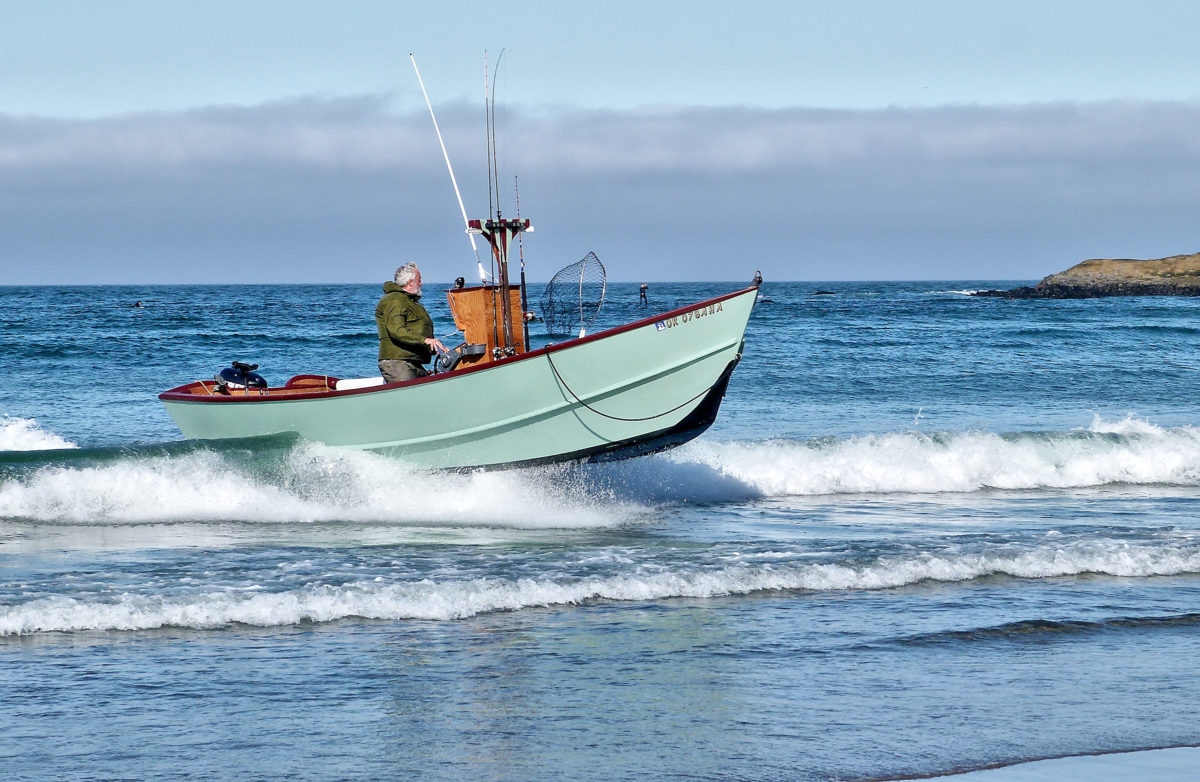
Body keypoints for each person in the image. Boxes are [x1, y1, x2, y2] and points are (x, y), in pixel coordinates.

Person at [375, 263, 447, 383]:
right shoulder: (394, 300)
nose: (421, 283)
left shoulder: (412, 302)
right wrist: (426, 340)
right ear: (410, 282)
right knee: (409, 397)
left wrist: (437, 348)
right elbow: (397, 330)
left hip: (414, 363)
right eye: (419, 280)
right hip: (398, 362)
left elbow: (417, 331)